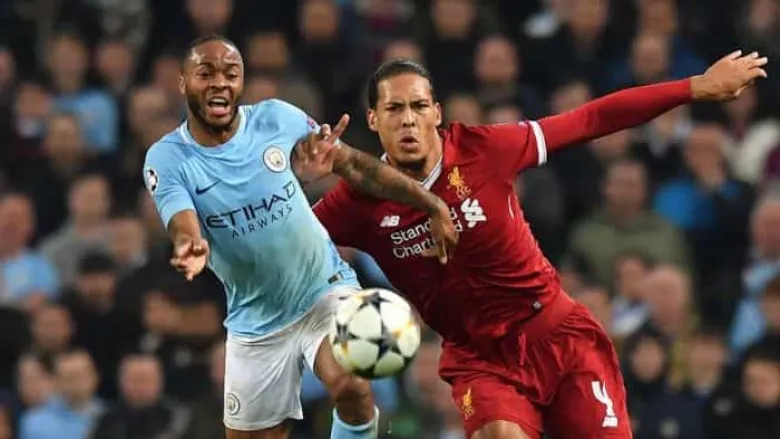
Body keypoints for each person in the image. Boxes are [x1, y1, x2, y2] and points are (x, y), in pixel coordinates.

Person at [305, 51, 768, 439]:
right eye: (394, 109)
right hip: (480, 360)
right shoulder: (355, 202)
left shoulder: (486, 150)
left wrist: (694, 87)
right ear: (373, 118)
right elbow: (281, 244)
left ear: (437, 113)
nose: (408, 119)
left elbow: (590, 118)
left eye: (418, 106)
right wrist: (297, 183)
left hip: (557, 335)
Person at [142, 35, 458, 439]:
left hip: (324, 288)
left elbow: (355, 166)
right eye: (206, 73)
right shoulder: (168, 158)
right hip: (256, 320)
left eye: (231, 73)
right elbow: (181, 221)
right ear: (184, 82)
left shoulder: (277, 118)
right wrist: (190, 244)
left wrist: (431, 203)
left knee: (352, 384)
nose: (220, 82)